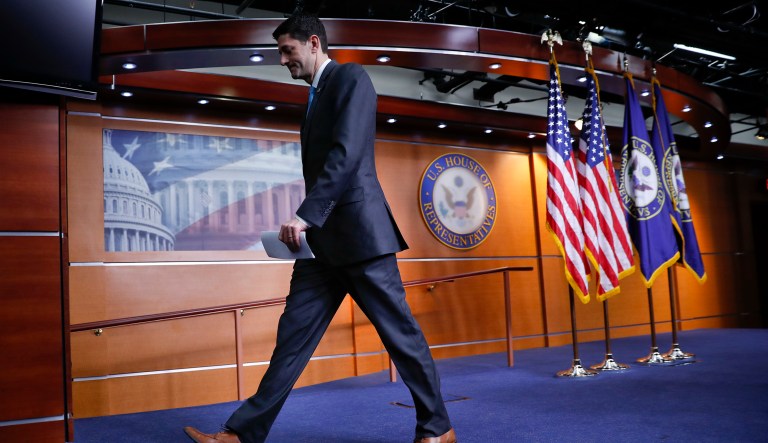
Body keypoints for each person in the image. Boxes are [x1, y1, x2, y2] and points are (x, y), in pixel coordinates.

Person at [184, 13, 456, 443]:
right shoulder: (312, 98)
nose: (282, 60)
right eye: (279, 52)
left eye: (287, 50)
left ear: (313, 43)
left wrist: (304, 215)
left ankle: (438, 429)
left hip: (362, 240)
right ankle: (241, 435)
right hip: (321, 248)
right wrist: (309, 222)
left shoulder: (351, 78)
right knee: (290, 341)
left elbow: (346, 155)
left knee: (401, 338)